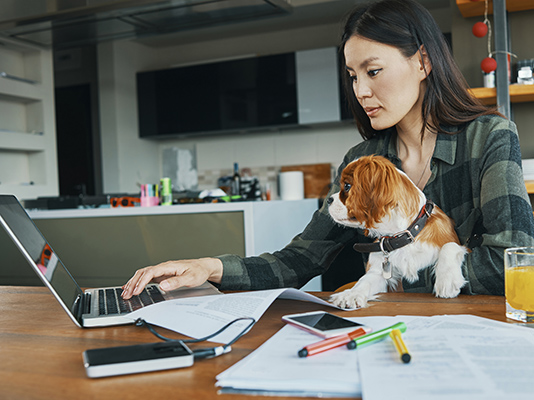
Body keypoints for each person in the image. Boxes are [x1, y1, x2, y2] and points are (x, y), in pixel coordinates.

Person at [122, 0, 534, 302]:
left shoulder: (490, 138)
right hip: (385, 328)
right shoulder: (361, 162)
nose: (361, 91)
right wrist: (210, 267)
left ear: (423, 62)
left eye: (373, 71)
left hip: (470, 335)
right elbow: (301, 259)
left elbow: (512, 263)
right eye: (353, 76)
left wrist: (390, 277)